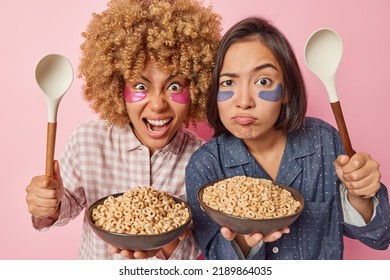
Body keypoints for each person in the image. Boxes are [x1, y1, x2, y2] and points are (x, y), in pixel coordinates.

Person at [25, 0, 221, 260]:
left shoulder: (204, 159)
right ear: (118, 88)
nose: (158, 104)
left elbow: (197, 248)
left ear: (196, 88)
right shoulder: (88, 140)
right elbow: (62, 209)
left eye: (174, 87)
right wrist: (48, 205)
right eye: (140, 86)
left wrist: (164, 239)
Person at [185, 16, 390, 260]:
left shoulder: (324, 142)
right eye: (228, 82)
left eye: (263, 81)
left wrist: (360, 195)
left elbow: (381, 236)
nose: (243, 102)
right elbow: (216, 260)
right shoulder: (205, 165)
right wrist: (243, 236)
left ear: (287, 91)